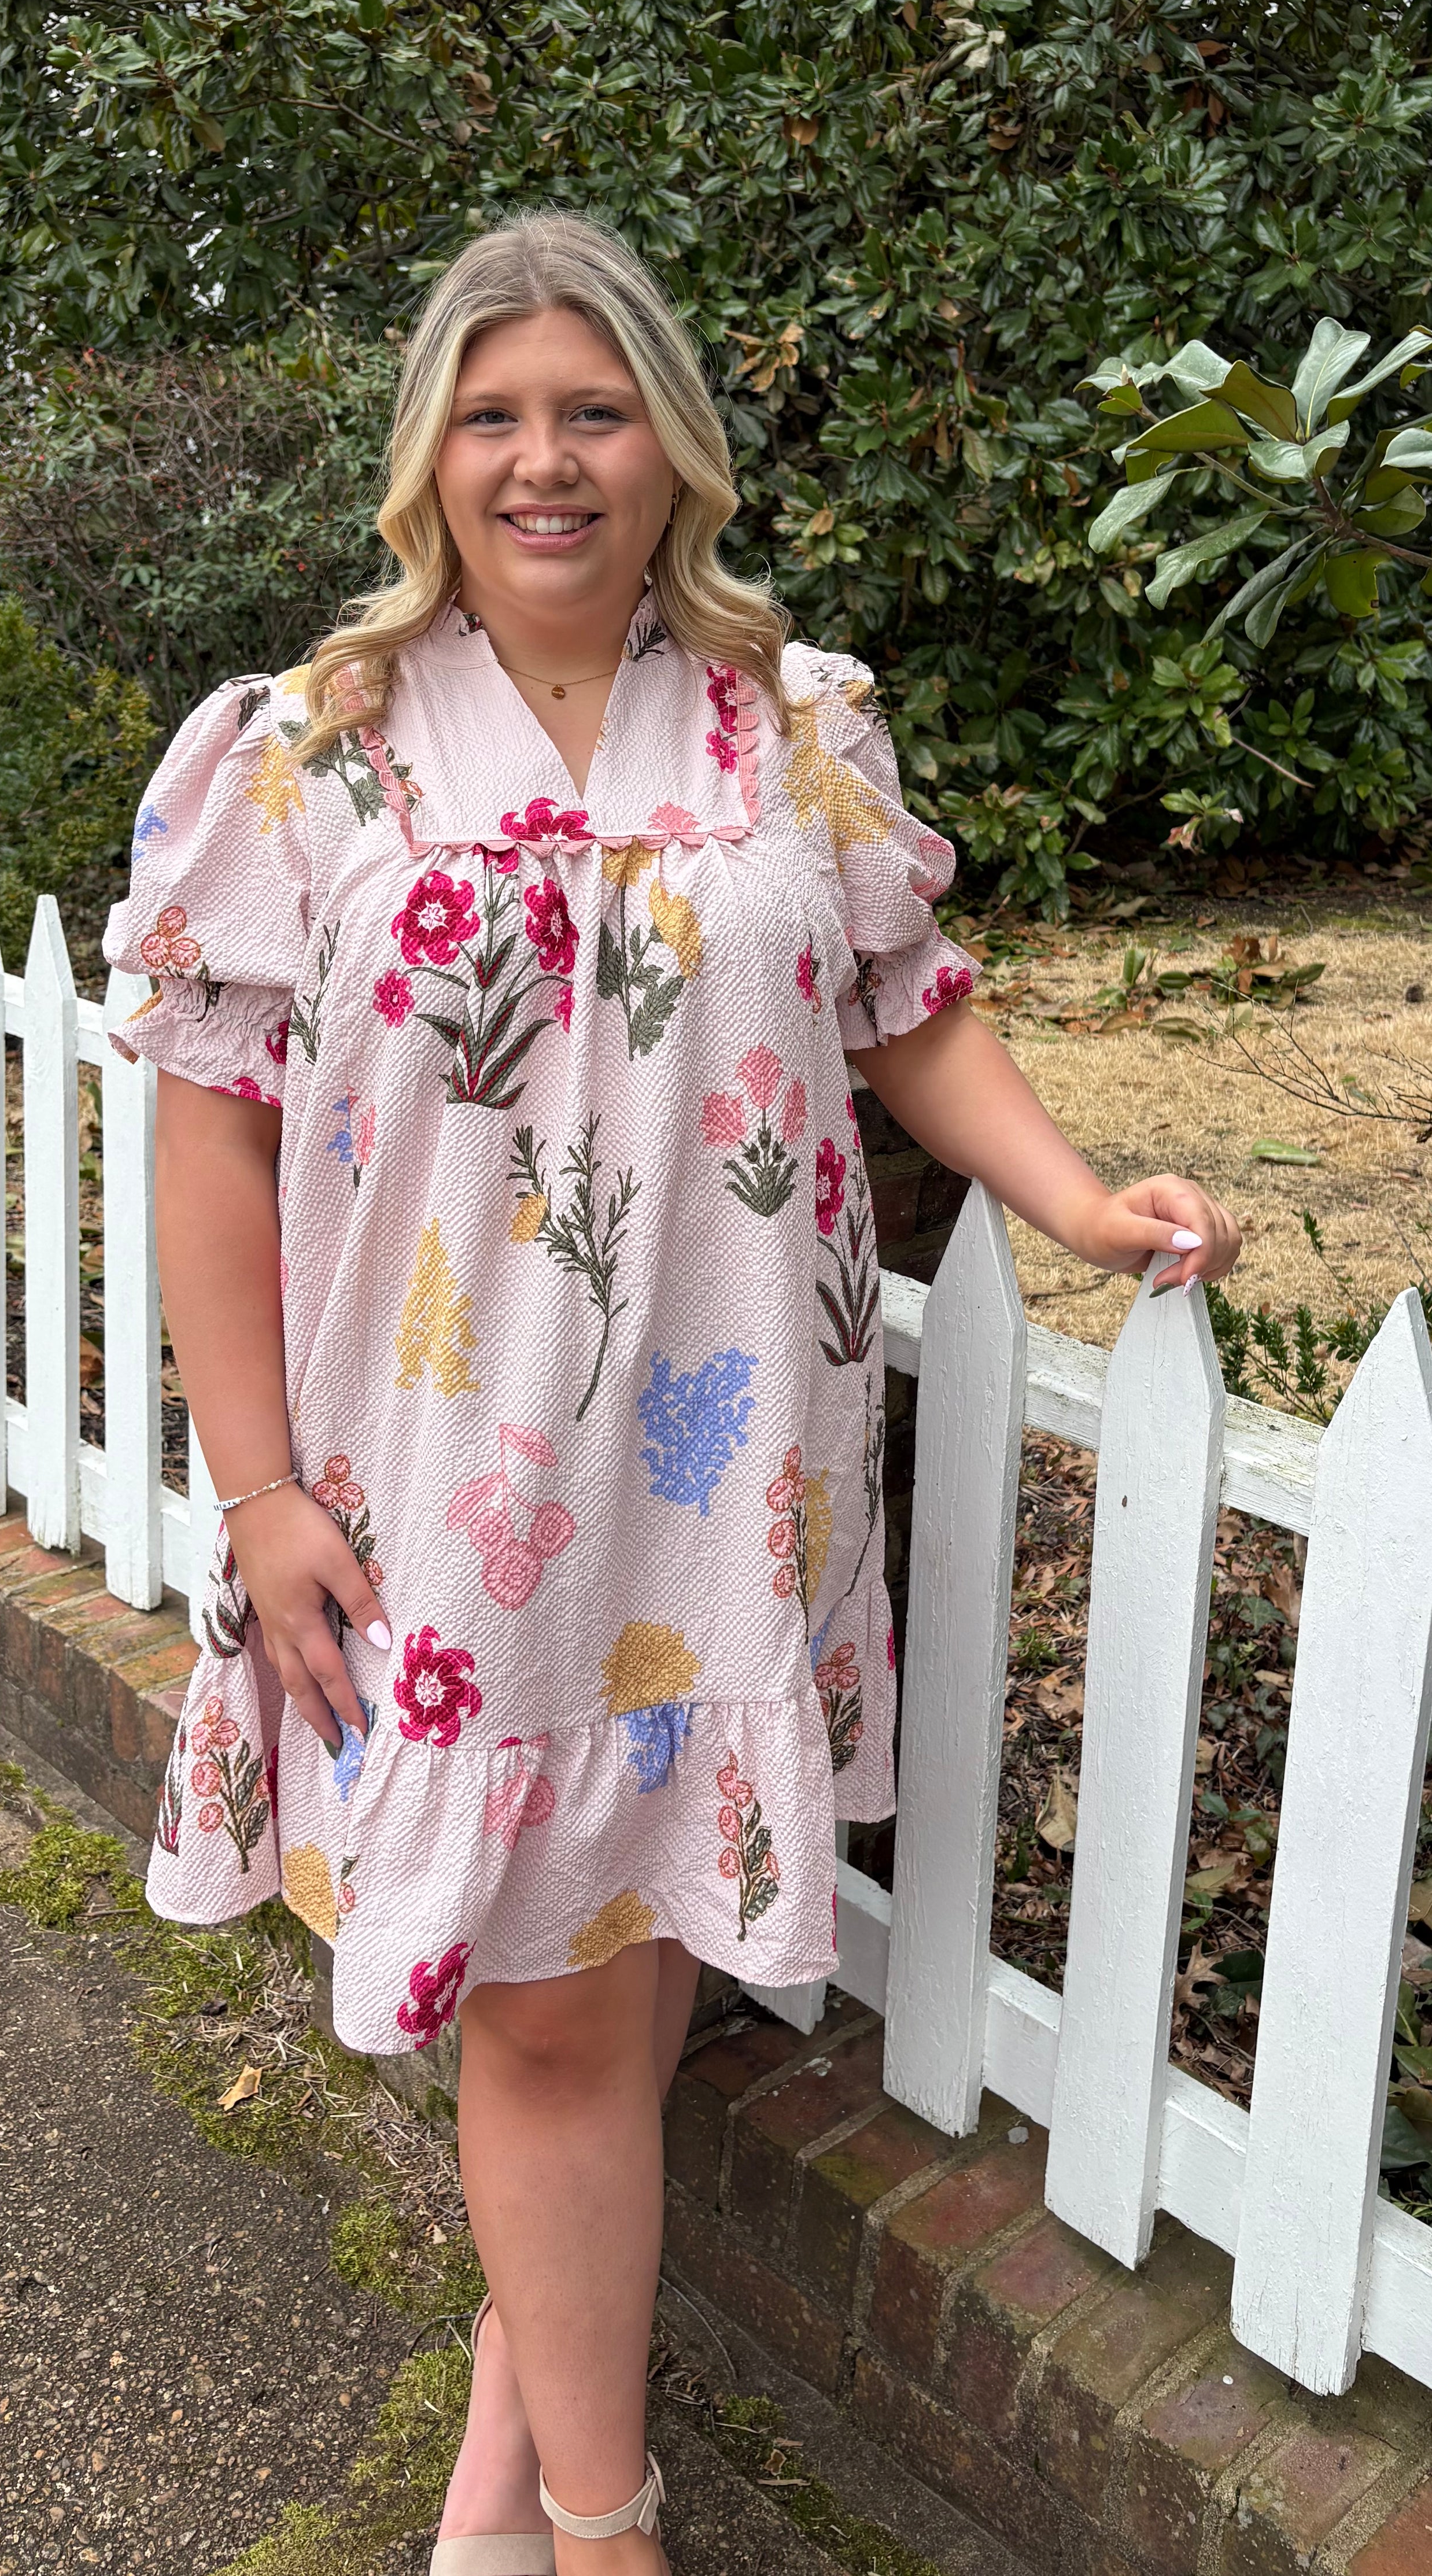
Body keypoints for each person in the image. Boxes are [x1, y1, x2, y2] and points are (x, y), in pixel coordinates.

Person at [105, 211, 1239, 2575]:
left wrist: (1070, 1197)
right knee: (538, 2010)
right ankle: (610, 2528)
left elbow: (906, 1007)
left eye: (594, 411)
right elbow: (207, 1133)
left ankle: (506, 2492)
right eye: (496, 417)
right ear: (432, 458)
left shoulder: (794, 725)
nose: (547, 461)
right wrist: (257, 1485)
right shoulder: (303, 751)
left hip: (728, 1466)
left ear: (671, 450)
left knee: (613, 1969)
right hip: (445, 1479)